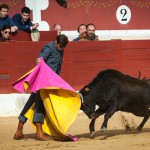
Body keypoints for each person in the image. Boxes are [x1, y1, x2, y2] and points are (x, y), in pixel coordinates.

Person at [13, 34, 69, 141]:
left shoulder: (61, 50)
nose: (61, 48)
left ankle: (19, 131)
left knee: (30, 104)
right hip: (42, 80)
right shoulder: (49, 47)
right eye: (60, 46)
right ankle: (39, 132)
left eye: (63, 47)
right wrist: (39, 60)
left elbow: (58, 67)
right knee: (40, 104)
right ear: (56, 42)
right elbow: (41, 58)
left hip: (50, 82)